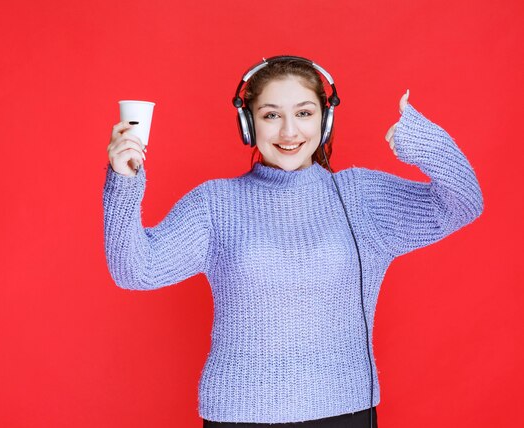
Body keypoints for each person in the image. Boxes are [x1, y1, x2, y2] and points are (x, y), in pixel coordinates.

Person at [102, 56, 484, 427]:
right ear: (248, 124)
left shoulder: (362, 197)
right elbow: (135, 270)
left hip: (344, 410)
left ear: (326, 119)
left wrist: (422, 142)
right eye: (271, 115)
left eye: (304, 113)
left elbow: (463, 204)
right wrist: (124, 181)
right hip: (240, 414)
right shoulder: (215, 203)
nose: (289, 132)